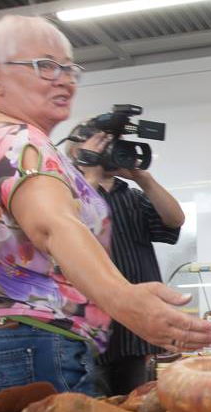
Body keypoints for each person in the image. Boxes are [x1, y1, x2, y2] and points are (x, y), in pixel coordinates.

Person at [0, 15, 211, 397]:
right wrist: (125, 301)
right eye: (45, 66)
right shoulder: (22, 142)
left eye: (70, 69)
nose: (65, 80)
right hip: (22, 346)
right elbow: (53, 225)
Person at [66, 123, 185, 396]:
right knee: (92, 407)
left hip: (134, 327)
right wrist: (90, 176)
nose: (109, 152)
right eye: (101, 146)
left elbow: (175, 220)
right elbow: (66, 222)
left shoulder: (132, 196)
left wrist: (143, 178)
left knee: (136, 404)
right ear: (76, 152)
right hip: (87, 326)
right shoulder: (63, 194)